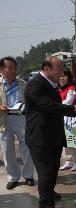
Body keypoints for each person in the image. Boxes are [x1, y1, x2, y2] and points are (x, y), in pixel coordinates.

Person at [25, 56, 76, 208]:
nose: (61, 71)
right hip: (39, 138)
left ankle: (49, 193)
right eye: (58, 68)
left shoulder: (51, 84)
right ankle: (45, 205)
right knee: (45, 172)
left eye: (61, 67)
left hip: (53, 136)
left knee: (52, 171)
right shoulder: (35, 84)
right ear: (46, 69)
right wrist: (75, 108)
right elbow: (49, 106)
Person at [0, 56, 35, 190]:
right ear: (2, 69)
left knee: (27, 146)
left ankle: (28, 175)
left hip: (21, 118)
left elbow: (30, 101)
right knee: (7, 149)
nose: (13, 71)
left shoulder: (22, 84)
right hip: (3, 119)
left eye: (15, 68)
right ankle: (12, 177)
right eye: (10, 68)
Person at [58, 69, 76, 171]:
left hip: (72, 118)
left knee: (72, 141)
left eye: (64, 76)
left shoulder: (71, 88)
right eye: (60, 76)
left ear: (69, 77)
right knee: (65, 142)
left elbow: (68, 102)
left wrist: (56, 104)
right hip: (63, 118)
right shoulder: (61, 89)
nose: (61, 78)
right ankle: (69, 161)